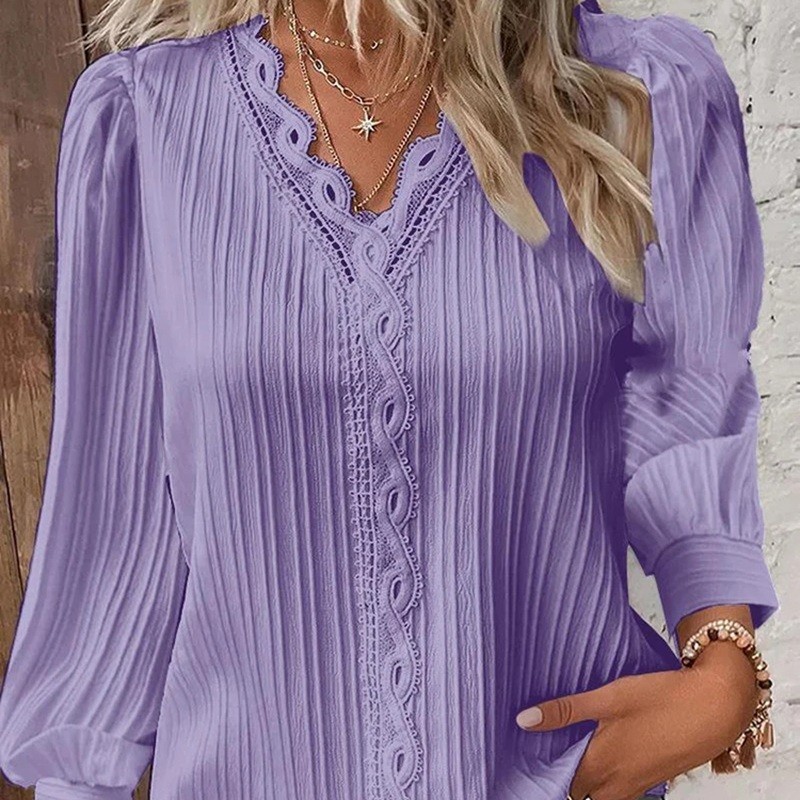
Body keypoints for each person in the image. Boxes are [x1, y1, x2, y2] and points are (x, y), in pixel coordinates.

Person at [0, 0, 781, 798]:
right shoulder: (147, 120)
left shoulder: (628, 86)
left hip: (547, 778)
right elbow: (117, 536)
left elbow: (686, 387)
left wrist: (723, 665)